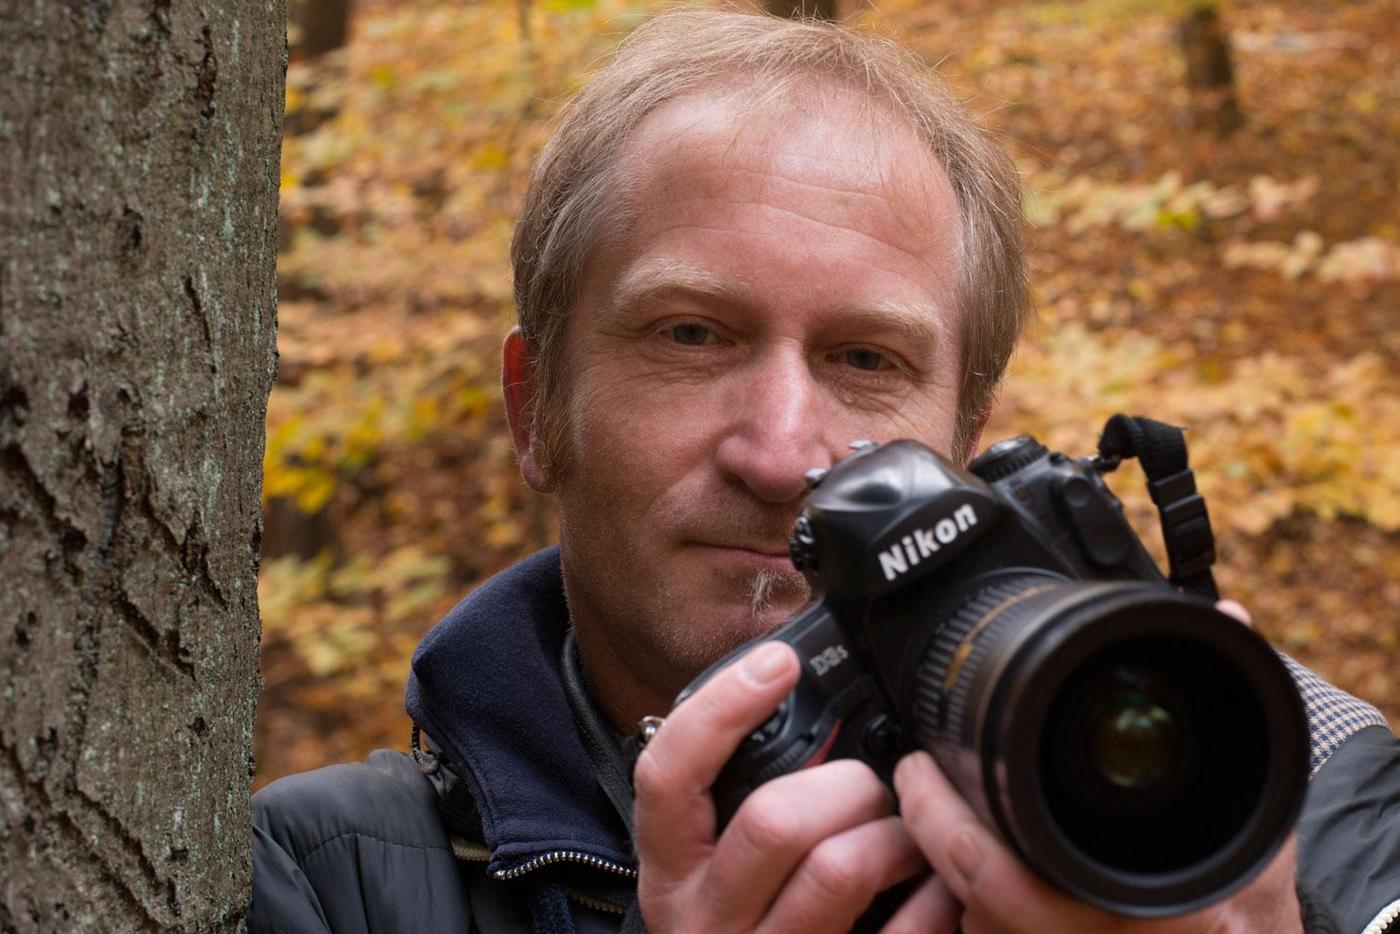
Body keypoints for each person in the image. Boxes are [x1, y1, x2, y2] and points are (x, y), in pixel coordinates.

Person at [250, 10, 1400, 934]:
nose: (782, 452)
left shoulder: (1285, 788)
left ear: (960, 437)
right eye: (688, 335)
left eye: (866, 358)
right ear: (535, 407)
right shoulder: (323, 878)